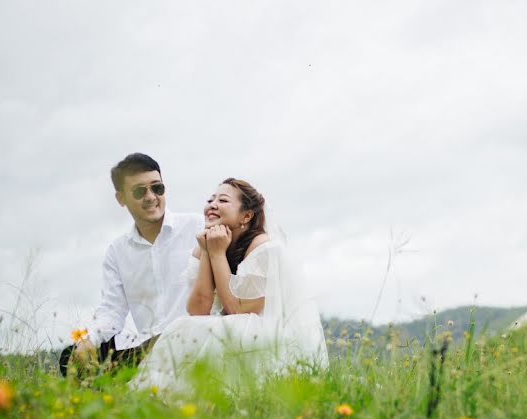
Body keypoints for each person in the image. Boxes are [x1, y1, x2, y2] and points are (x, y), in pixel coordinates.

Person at [131, 178, 328, 392]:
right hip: (237, 327)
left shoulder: (263, 247)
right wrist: (207, 252)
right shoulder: (206, 244)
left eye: (223, 200)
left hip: (271, 331)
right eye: (210, 199)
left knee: (189, 330)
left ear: (246, 216)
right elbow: (198, 310)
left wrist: (217, 254)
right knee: (182, 327)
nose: (212, 205)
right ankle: (160, 395)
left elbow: (237, 309)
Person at [59, 153, 203, 376]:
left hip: (192, 339)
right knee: (70, 357)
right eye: (139, 191)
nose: (150, 197)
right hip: (145, 347)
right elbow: (112, 310)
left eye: (157, 188)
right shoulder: (117, 252)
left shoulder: (197, 227)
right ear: (121, 198)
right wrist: (89, 340)